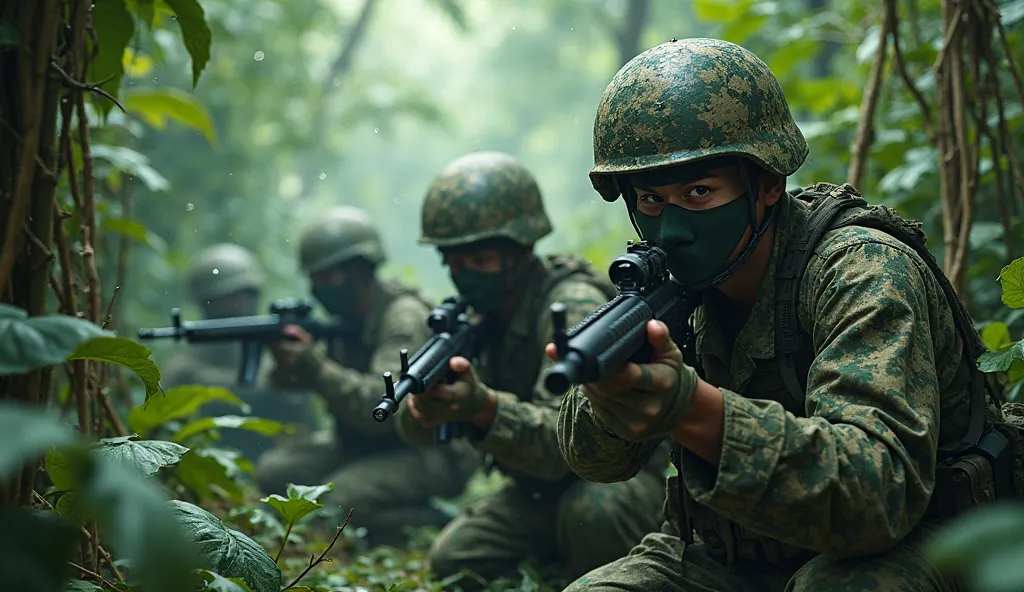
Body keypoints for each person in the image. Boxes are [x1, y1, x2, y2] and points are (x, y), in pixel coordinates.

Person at [556, 38, 1014, 591]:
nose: (671, 227)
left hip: (909, 547)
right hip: (736, 554)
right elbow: (595, 463)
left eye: (699, 192)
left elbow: (876, 502)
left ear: (768, 185)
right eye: (651, 200)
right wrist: (610, 399)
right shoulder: (671, 287)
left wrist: (694, 410)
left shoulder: (860, 270)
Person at [395, 151, 667, 588]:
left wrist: (482, 407)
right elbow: (418, 437)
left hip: (615, 479)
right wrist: (424, 410)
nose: (466, 276)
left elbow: (570, 449)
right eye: (455, 262)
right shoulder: (478, 317)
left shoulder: (570, 305)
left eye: (480, 260)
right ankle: (562, 567)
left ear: (521, 250)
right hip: (537, 490)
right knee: (456, 558)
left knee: (592, 514)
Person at [256, 205, 478, 546]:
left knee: (338, 506)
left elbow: (381, 409)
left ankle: (436, 525)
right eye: (315, 278)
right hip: (365, 443)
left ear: (362, 270)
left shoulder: (402, 317)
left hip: (429, 449)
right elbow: (283, 388)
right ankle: (381, 511)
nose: (320, 286)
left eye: (330, 276)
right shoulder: (343, 320)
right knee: (276, 475)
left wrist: (314, 366)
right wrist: (287, 360)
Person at [160, 243, 318, 461]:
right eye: (229, 297)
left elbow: (302, 416)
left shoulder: (271, 350)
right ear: (208, 301)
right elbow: (163, 425)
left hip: (276, 463)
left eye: (246, 294)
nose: (240, 304)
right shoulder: (186, 365)